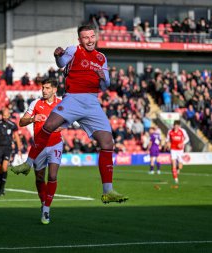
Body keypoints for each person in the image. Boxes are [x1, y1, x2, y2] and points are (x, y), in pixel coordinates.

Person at [11, 25, 128, 204]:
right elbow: (61, 63)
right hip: (73, 98)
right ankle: (28, 163)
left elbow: (106, 86)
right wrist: (58, 55)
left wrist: (102, 77)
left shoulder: (101, 57)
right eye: (86, 37)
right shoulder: (74, 50)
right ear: (80, 40)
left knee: (107, 143)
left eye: (92, 36)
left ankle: (108, 191)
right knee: (49, 126)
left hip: (92, 102)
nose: (90, 40)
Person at [15, 78, 63, 225]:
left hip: (55, 144)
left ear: (54, 90)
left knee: (53, 175)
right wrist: (33, 119)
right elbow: (21, 122)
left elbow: (70, 120)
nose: (44, 90)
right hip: (39, 146)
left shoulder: (61, 104)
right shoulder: (35, 103)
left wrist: (63, 126)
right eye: (43, 88)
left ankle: (46, 209)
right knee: (39, 178)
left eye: (47, 88)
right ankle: (43, 202)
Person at [0, 108, 23, 196]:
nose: (5, 117)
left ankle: (2, 189)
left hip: (7, 148)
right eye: (3, 115)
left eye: (6, 115)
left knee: (4, 167)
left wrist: (19, 149)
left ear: (9, 115)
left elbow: (17, 137)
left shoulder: (12, 125)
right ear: (1, 115)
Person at [165, 120, 189, 184]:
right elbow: (167, 139)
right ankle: (176, 179)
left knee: (180, 166)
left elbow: (187, 139)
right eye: (175, 125)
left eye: (177, 126)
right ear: (173, 125)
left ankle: (178, 169)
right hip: (173, 149)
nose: (176, 127)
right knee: (173, 164)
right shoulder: (170, 131)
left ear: (179, 126)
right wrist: (167, 144)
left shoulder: (183, 131)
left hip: (180, 150)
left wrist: (182, 143)